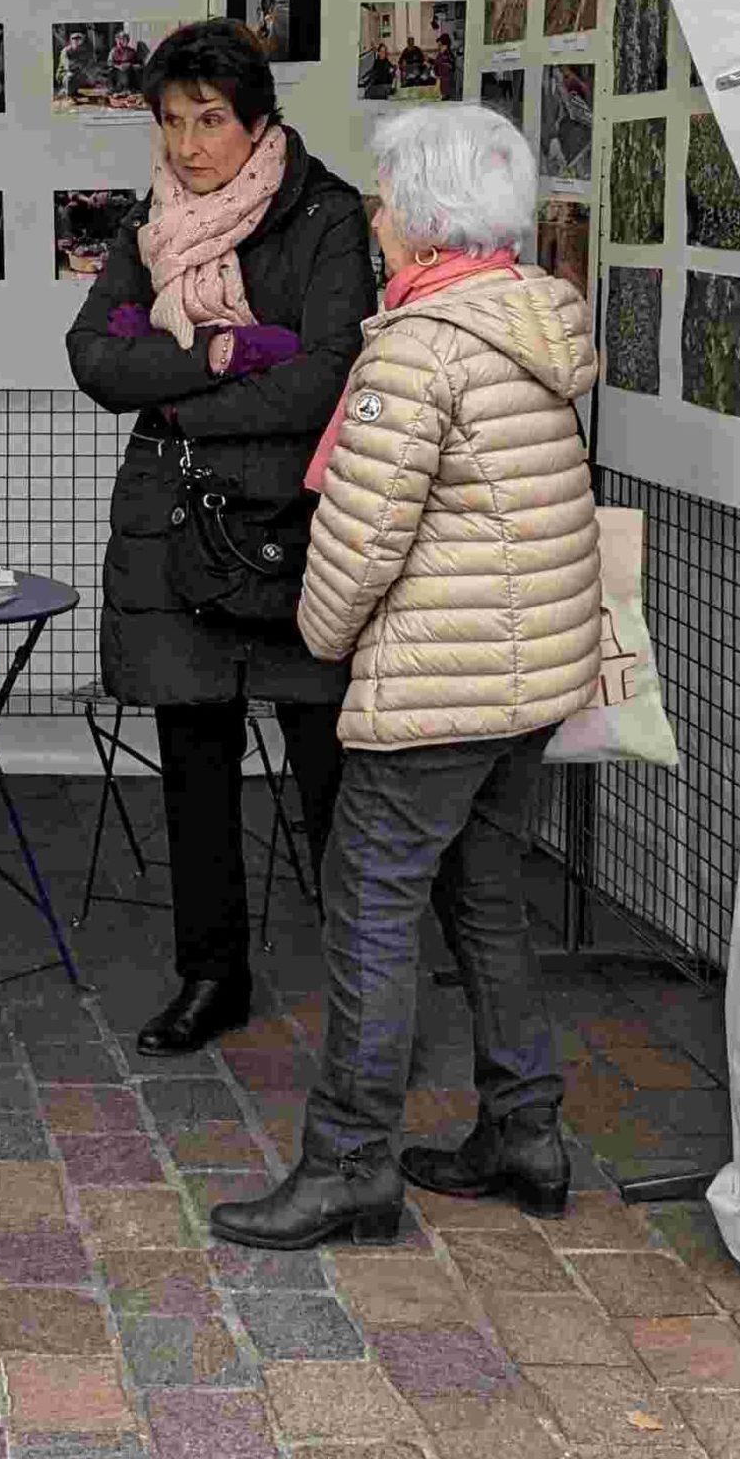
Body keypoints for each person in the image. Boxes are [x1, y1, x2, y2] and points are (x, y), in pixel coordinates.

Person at [209, 104, 601, 1252]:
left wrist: (321, 639)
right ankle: (525, 1133)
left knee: (370, 909)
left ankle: (347, 1166)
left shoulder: (419, 346)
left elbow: (362, 535)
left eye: (384, 201)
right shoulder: (534, 319)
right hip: (525, 679)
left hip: (440, 681)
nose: (372, 218)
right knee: (484, 899)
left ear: (423, 221)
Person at [65, 18, 373, 1055]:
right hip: (179, 525)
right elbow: (95, 363)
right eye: (171, 123)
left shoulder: (326, 215)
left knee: (325, 770)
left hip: (293, 525)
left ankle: (363, 993)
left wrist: (183, 393)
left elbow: (330, 369)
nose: (190, 147)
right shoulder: (149, 224)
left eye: (209, 121)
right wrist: (234, 351)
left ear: (257, 120)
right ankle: (212, 977)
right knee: (192, 765)